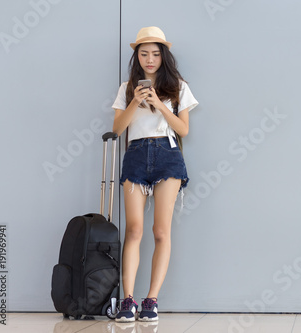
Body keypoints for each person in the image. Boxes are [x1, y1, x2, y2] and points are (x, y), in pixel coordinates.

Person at [111, 26, 198, 322]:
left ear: (164, 56)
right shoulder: (126, 88)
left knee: (160, 232)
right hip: (136, 156)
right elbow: (117, 129)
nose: (150, 59)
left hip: (167, 156)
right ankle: (128, 300)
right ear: (137, 56)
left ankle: (151, 300)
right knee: (134, 229)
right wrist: (135, 100)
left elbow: (184, 129)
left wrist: (159, 104)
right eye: (144, 53)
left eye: (156, 54)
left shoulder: (178, 87)